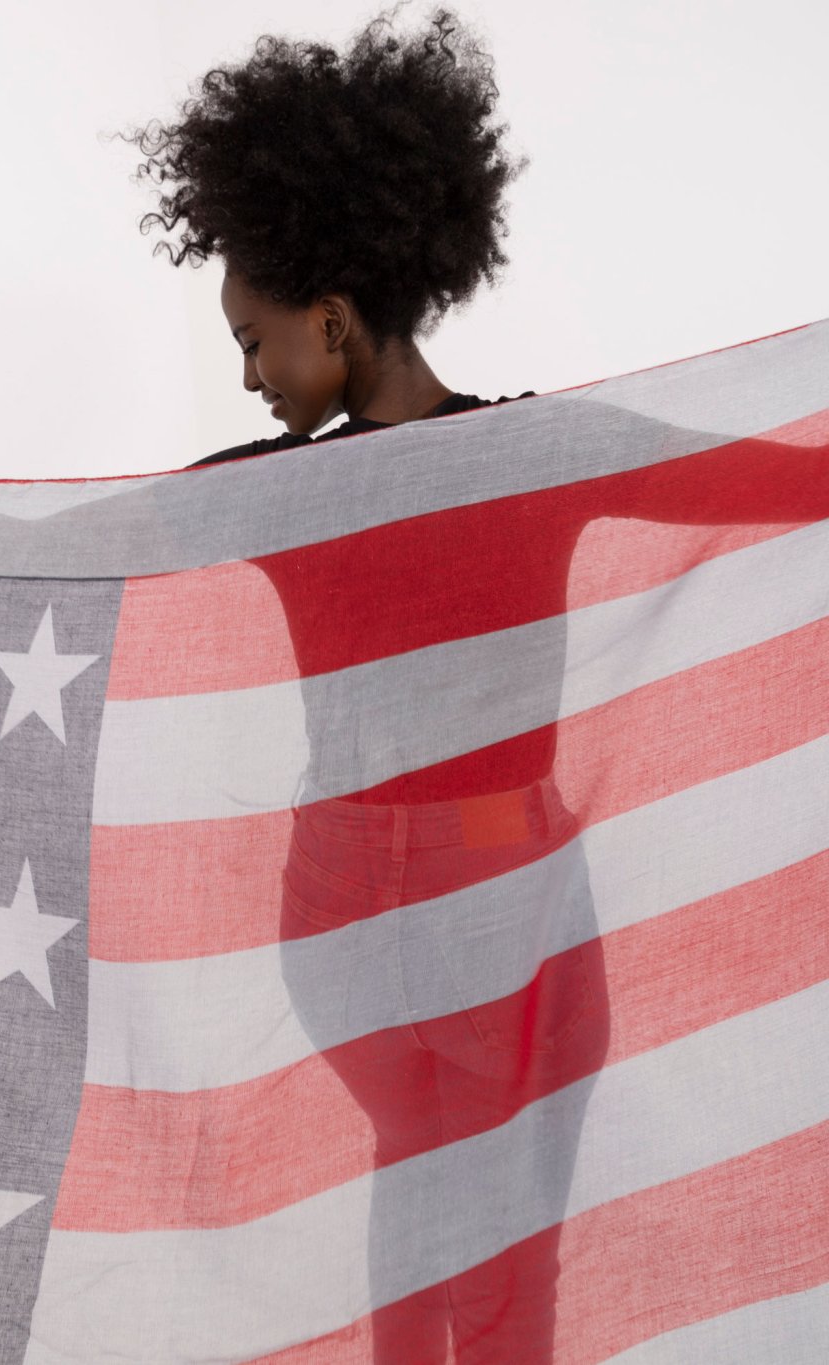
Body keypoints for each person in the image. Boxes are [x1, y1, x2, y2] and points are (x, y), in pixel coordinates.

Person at [111, 7, 610, 1362]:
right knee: (504, 1230)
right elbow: (763, 467)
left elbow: (53, 542)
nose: (248, 374)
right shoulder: (538, 452)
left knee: (419, 1172)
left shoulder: (276, 492)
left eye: (255, 339)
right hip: (493, 895)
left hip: (340, 900)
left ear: (332, 318)